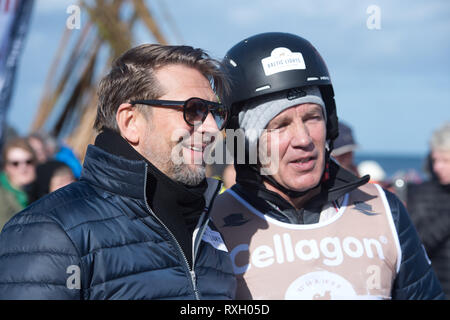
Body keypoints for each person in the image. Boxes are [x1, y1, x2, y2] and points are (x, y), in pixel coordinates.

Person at [210, 32, 444, 300]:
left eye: (312, 117)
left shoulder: (384, 209)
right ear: (246, 142)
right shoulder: (213, 226)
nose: (304, 139)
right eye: (281, 125)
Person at [0, 44, 236, 299]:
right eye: (194, 110)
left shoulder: (207, 231)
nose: (212, 129)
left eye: (216, 112)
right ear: (130, 122)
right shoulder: (50, 232)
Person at [407, 121, 450, 299]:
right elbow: (416, 245)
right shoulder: (422, 193)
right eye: (435, 160)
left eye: (446, 160)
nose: (438, 166)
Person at [0, 137, 36, 230]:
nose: (23, 168)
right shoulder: (2, 197)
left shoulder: (36, 191)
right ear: (6, 167)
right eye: (15, 163)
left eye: (28, 162)